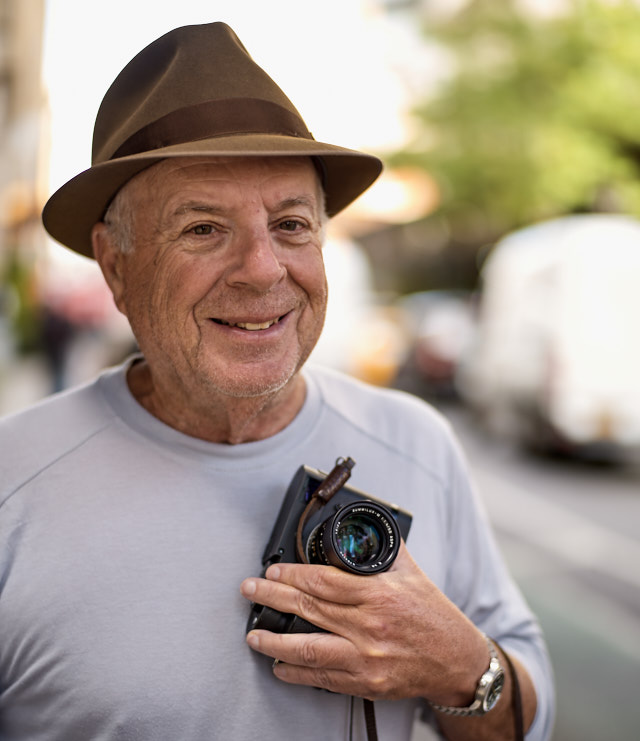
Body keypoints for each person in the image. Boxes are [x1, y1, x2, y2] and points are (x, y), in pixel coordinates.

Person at [0, 22, 554, 741]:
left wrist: (460, 666)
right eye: (203, 228)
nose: (264, 269)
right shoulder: (13, 482)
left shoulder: (418, 441)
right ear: (116, 267)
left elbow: (526, 712)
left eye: (291, 225)